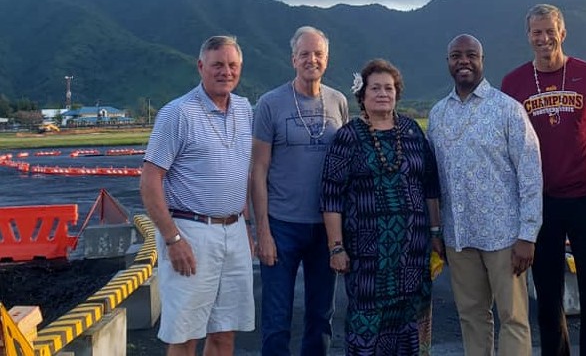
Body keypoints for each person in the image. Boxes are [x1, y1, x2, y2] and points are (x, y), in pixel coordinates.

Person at [501, 4, 586, 356]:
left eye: (549, 30)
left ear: (562, 32)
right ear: (528, 37)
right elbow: (508, 148)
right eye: (536, 32)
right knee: (548, 292)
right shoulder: (514, 83)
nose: (543, 38)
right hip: (541, 202)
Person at [428, 34, 542, 356]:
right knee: (471, 317)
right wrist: (437, 232)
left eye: (470, 55)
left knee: (514, 318)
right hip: (459, 237)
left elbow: (531, 175)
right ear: (448, 62)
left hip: (505, 237)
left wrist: (527, 235)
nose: (463, 61)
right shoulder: (437, 115)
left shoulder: (508, 110)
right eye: (456, 55)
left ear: (482, 60)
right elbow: (433, 179)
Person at [140, 35, 254, 356]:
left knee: (225, 332)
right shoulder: (177, 113)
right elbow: (150, 181)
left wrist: (244, 225)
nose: (225, 72)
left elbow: (237, 173)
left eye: (232, 65)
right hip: (191, 232)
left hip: (233, 231)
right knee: (186, 333)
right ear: (201, 66)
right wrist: (173, 239)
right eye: (217, 65)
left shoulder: (244, 110)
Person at [321, 58, 443, 355]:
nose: (383, 93)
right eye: (375, 88)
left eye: (389, 88)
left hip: (412, 253)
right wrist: (336, 247)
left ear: (397, 93)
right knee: (367, 322)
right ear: (362, 95)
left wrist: (436, 231)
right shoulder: (348, 137)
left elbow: (430, 186)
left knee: (407, 325)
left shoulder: (413, 132)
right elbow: (331, 196)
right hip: (367, 256)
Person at [251, 26, 350, 355]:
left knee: (321, 316)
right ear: (293, 59)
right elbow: (259, 169)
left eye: (318, 54)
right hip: (282, 225)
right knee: (277, 319)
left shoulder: (338, 101)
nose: (312, 59)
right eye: (305, 54)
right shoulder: (270, 104)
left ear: (327, 59)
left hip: (326, 227)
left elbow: (346, 163)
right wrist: (261, 230)